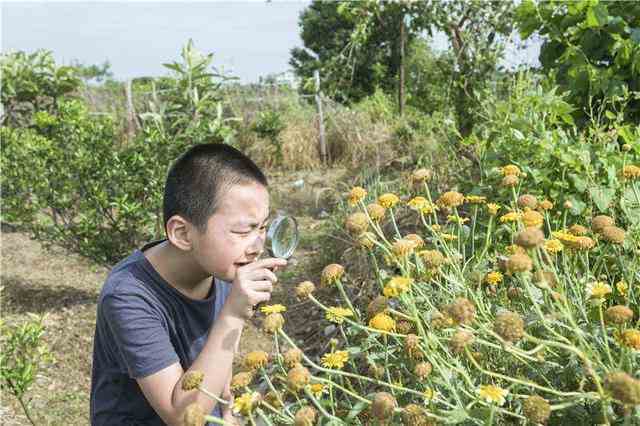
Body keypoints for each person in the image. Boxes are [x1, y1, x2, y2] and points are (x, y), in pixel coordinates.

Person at [90, 143, 286, 425]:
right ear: (182, 233)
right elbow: (182, 417)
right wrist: (233, 314)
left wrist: (229, 411)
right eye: (244, 230)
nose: (257, 245)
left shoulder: (223, 268)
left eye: (263, 227)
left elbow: (220, 356)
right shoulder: (128, 295)